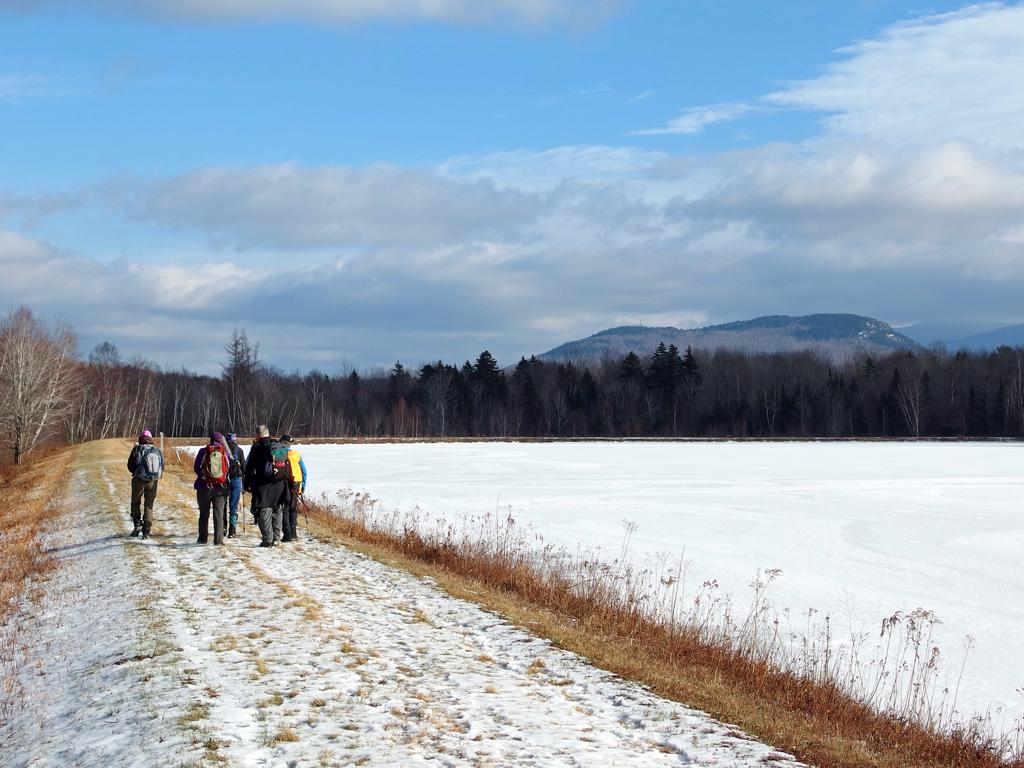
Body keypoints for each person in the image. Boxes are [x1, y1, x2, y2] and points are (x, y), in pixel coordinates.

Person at [244, 424, 289, 548]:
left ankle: (268, 540)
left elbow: (249, 467)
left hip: (263, 485)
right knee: (277, 510)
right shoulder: (277, 445)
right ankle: (276, 539)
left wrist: (246, 483)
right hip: (279, 484)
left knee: (264, 511)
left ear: (257, 435)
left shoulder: (257, 447)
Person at [194, 432, 231, 545]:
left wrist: (204, 476)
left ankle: (202, 538)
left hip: (204, 487)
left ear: (210, 440)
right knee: (218, 513)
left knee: (204, 513)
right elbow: (229, 468)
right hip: (221, 488)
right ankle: (218, 540)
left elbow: (196, 468)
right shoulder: (225, 452)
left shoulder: (203, 451)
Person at [126, 430, 163, 539]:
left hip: (138, 480)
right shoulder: (157, 450)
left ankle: (137, 525)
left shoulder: (137, 449)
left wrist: (136, 472)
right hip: (153, 481)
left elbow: (130, 466)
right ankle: (146, 531)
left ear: (141, 439)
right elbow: (162, 466)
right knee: (149, 504)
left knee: (135, 502)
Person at [279, 434, 308, 543]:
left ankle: (287, 534)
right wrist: (303, 485)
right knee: (293, 507)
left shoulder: (280, 454)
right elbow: (304, 471)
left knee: (285, 507)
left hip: (285, 482)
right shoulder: (296, 454)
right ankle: (294, 533)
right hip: (296, 483)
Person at [224, 432, 246, 538]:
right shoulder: (240, 450)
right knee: (233, 506)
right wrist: (245, 485)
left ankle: (222, 528)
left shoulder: (223, 450)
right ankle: (232, 531)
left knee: (223, 504)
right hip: (236, 480)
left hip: (224, 480)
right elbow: (245, 469)